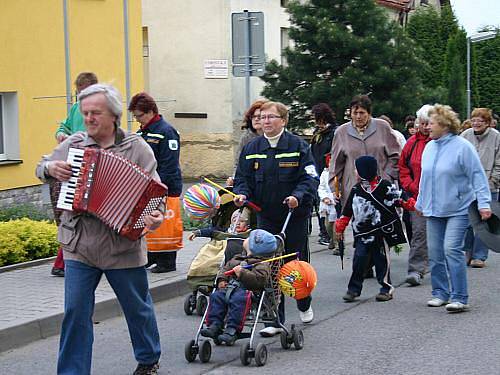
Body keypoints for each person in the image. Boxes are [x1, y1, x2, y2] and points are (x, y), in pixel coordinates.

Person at [36, 84, 163, 375]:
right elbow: (41, 166)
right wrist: (51, 168)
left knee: (137, 308)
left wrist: (153, 218)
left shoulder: (136, 148)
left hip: (123, 246)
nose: (89, 118)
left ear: (114, 115)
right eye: (85, 113)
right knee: (75, 312)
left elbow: (154, 195)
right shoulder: (74, 144)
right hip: (79, 243)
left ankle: (148, 358)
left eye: (95, 112)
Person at [233, 101, 319, 334]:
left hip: (293, 215)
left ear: (283, 120)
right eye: (262, 117)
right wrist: (242, 195)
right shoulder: (252, 148)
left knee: (294, 263)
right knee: (269, 265)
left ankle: (303, 301)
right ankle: (274, 319)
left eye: (271, 117)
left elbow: (310, 178)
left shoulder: (298, 146)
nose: (265, 121)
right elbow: (243, 179)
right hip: (266, 216)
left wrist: (297, 196)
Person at [416, 104, 491, 313]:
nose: (427, 127)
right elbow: (425, 178)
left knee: (451, 249)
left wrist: (484, 204)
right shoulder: (429, 147)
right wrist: (420, 203)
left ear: (444, 125)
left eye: (431, 123)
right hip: (433, 209)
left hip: (458, 208)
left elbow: (477, 175)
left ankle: (459, 297)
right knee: (435, 253)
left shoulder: (462, 147)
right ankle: (440, 293)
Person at [336, 156, 414, 303]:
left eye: (357, 169)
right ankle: (353, 289)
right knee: (359, 260)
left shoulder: (385, 186)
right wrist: (340, 226)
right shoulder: (356, 189)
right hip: (362, 234)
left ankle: (386, 288)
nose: (355, 171)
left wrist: (413, 205)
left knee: (382, 261)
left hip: (382, 233)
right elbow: (347, 211)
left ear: (363, 170)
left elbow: (399, 199)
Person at [50, 72, 98, 277]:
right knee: (68, 213)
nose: (80, 99)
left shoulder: (101, 111)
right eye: (78, 95)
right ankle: (65, 261)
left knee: (78, 214)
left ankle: (66, 262)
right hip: (71, 166)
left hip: (90, 168)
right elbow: (63, 126)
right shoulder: (76, 109)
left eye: (82, 94)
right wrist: (61, 134)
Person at [128, 92, 183, 273]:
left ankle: (167, 261)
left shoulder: (166, 132)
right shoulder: (142, 133)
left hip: (165, 186)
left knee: (166, 225)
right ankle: (152, 255)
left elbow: (169, 163)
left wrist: (159, 186)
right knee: (150, 223)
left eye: (139, 116)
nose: (137, 120)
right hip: (145, 187)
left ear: (151, 111)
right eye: (135, 116)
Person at [200, 229, 277, 345]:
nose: (245, 240)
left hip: (248, 292)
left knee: (239, 300)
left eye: (249, 239)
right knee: (216, 296)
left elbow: (259, 280)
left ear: (253, 249)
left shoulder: (262, 265)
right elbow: (225, 269)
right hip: (228, 288)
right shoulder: (237, 258)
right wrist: (222, 279)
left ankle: (232, 329)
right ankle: (214, 324)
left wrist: (242, 273)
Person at [329, 95, 401, 208]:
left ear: (369, 113)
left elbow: (396, 156)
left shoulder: (383, 127)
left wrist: (387, 175)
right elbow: (335, 164)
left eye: (362, 113)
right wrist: (335, 188)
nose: (358, 116)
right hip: (354, 188)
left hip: (381, 186)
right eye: (355, 113)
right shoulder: (341, 132)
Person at [398, 104, 432, 286]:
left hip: (441, 196)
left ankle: (441, 265)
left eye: (429, 123)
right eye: (423, 123)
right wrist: (410, 185)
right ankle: (416, 269)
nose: (426, 127)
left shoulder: (441, 141)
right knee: (418, 232)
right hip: (418, 196)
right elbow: (402, 167)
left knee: (440, 235)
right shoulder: (411, 143)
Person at [461, 108, 500, 268]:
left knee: (485, 221)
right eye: (474, 119)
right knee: (467, 222)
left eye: (480, 120)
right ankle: (467, 252)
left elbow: (499, 162)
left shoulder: (497, 137)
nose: (476, 123)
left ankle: (480, 256)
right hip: (467, 186)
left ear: (488, 123)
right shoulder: (465, 136)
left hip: (489, 184)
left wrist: (493, 181)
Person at [310, 103, 338, 246]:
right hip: (317, 173)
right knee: (319, 204)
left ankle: (334, 235)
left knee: (331, 205)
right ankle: (324, 233)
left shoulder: (334, 132)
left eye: (316, 117)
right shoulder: (317, 133)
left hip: (330, 173)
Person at [226, 99, 267, 186]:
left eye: (259, 116)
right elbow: (239, 162)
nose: (256, 119)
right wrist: (234, 178)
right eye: (253, 116)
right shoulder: (246, 137)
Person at [318, 154, 338, 254]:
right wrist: (325, 197)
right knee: (328, 225)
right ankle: (332, 239)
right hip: (327, 203)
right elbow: (321, 187)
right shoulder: (324, 173)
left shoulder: (340, 172)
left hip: (337, 202)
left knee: (336, 226)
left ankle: (338, 245)